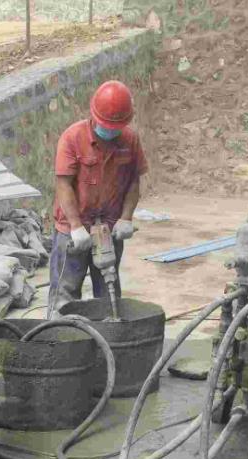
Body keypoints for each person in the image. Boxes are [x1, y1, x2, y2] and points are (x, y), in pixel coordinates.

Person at [48, 80, 148, 317]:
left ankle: (108, 335)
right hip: (74, 230)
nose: (111, 131)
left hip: (110, 229)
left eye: (117, 127)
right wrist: (75, 226)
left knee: (109, 295)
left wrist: (126, 218)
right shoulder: (72, 138)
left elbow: (134, 182)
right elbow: (63, 184)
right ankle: (59, 332)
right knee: (65, 295)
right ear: (93, 116)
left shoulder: (130, 140)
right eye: (107, 126)